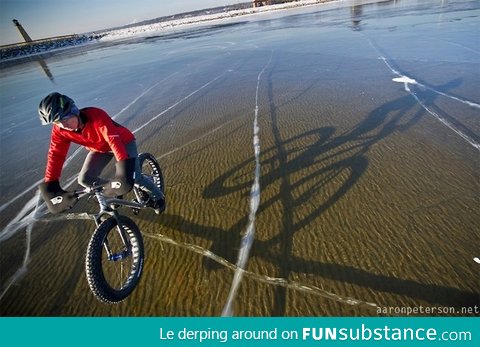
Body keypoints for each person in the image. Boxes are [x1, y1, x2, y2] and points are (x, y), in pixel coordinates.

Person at [38, 92, 165, 214]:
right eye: (57, 122)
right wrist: (51, 184)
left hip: (123, 142)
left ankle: (159, 198)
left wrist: (123, 171)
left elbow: (113, 140)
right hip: (99, 149)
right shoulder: (60, 130)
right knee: (85, 179)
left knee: (134, 176)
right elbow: (56, 154)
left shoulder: (96, 115)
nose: (64, 125)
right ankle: (116, 192)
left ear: (74, 110)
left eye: (65, 118)